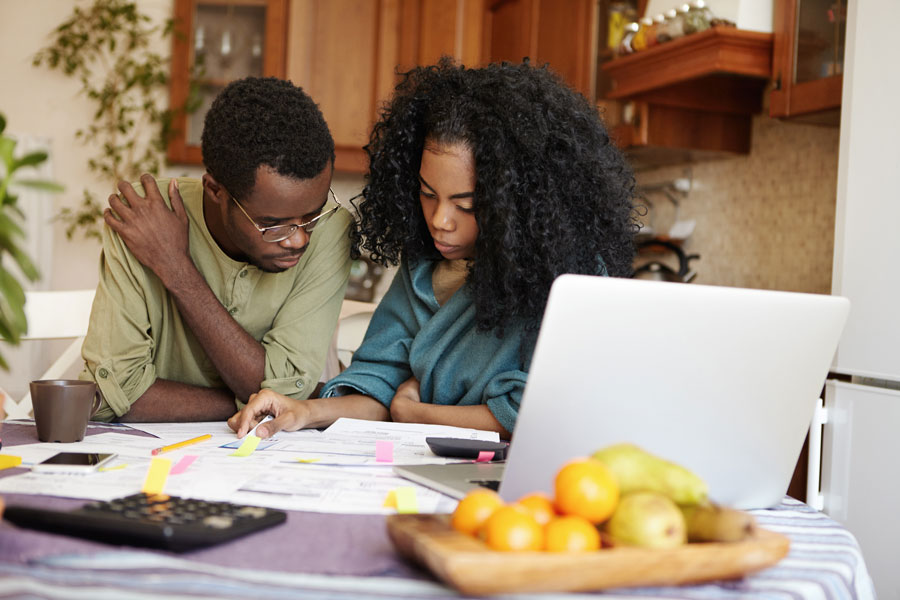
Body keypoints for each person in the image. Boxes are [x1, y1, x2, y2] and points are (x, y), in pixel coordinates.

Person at [230, 58, 636, 440]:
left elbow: (540, 416)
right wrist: (304, 411)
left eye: (467, 205)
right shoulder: (423, 268)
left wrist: (417, 414)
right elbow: (379, 387)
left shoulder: (569, 277)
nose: (440, 219)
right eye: (427, 194)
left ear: (521, 202)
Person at [80, 77, 353, 422]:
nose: (298, 239)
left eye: (312, 215)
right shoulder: (147, 217)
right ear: (215, 190)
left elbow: (289, 395)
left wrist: (175, 268)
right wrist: (261, 403)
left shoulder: (332, 230)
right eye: (272, 224)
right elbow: (112, 393)